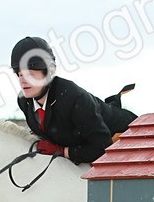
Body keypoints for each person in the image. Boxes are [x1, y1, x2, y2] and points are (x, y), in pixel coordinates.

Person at [11, 37, 136, 165]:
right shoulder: (24, 101)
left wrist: (63, 151)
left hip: (127, 135)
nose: (23, 81)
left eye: (30, 74)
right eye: (19, 74)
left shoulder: (74, 98)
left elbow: (101, 147)